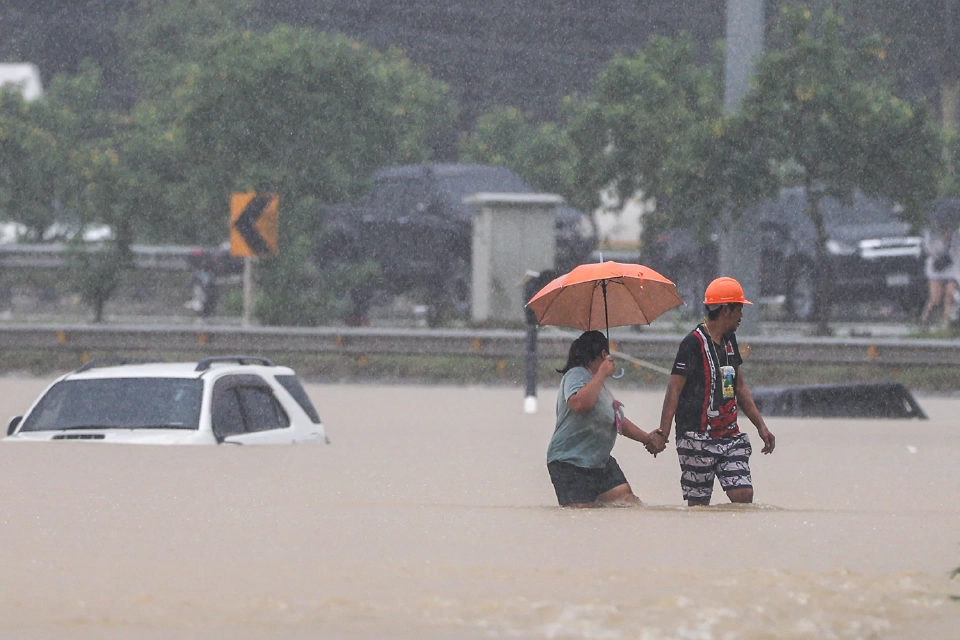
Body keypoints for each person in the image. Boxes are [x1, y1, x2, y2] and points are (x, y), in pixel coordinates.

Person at [650, 277, 775, 506]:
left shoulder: (729, 342)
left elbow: (740, 387)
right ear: (726, 310)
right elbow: (674, 389)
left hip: (728, 434)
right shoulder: (692, 344)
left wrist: (761, 427)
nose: (741, 317)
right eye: (739, 310)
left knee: (743, 495)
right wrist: (663, 432)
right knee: (699, 506)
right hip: (695, 436)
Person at [546, 330, 665, 508]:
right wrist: (601, 374)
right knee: (580, 518)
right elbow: (578, 404)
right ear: (604, 354)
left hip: (599, 462)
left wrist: (646, 438)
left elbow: (618, 421)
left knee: (629, 504)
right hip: (570, 463)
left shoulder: (599, 387)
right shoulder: (576, 375)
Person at [919, 217, 960, 331]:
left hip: (951, 269)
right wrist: (943, 240)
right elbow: (930, 250)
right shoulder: (931, 233)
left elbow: (957, 250)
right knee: (935, 298)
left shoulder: (955, 234)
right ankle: (925, 320)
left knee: (949, 296)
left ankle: (946, 324)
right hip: (936, 269)